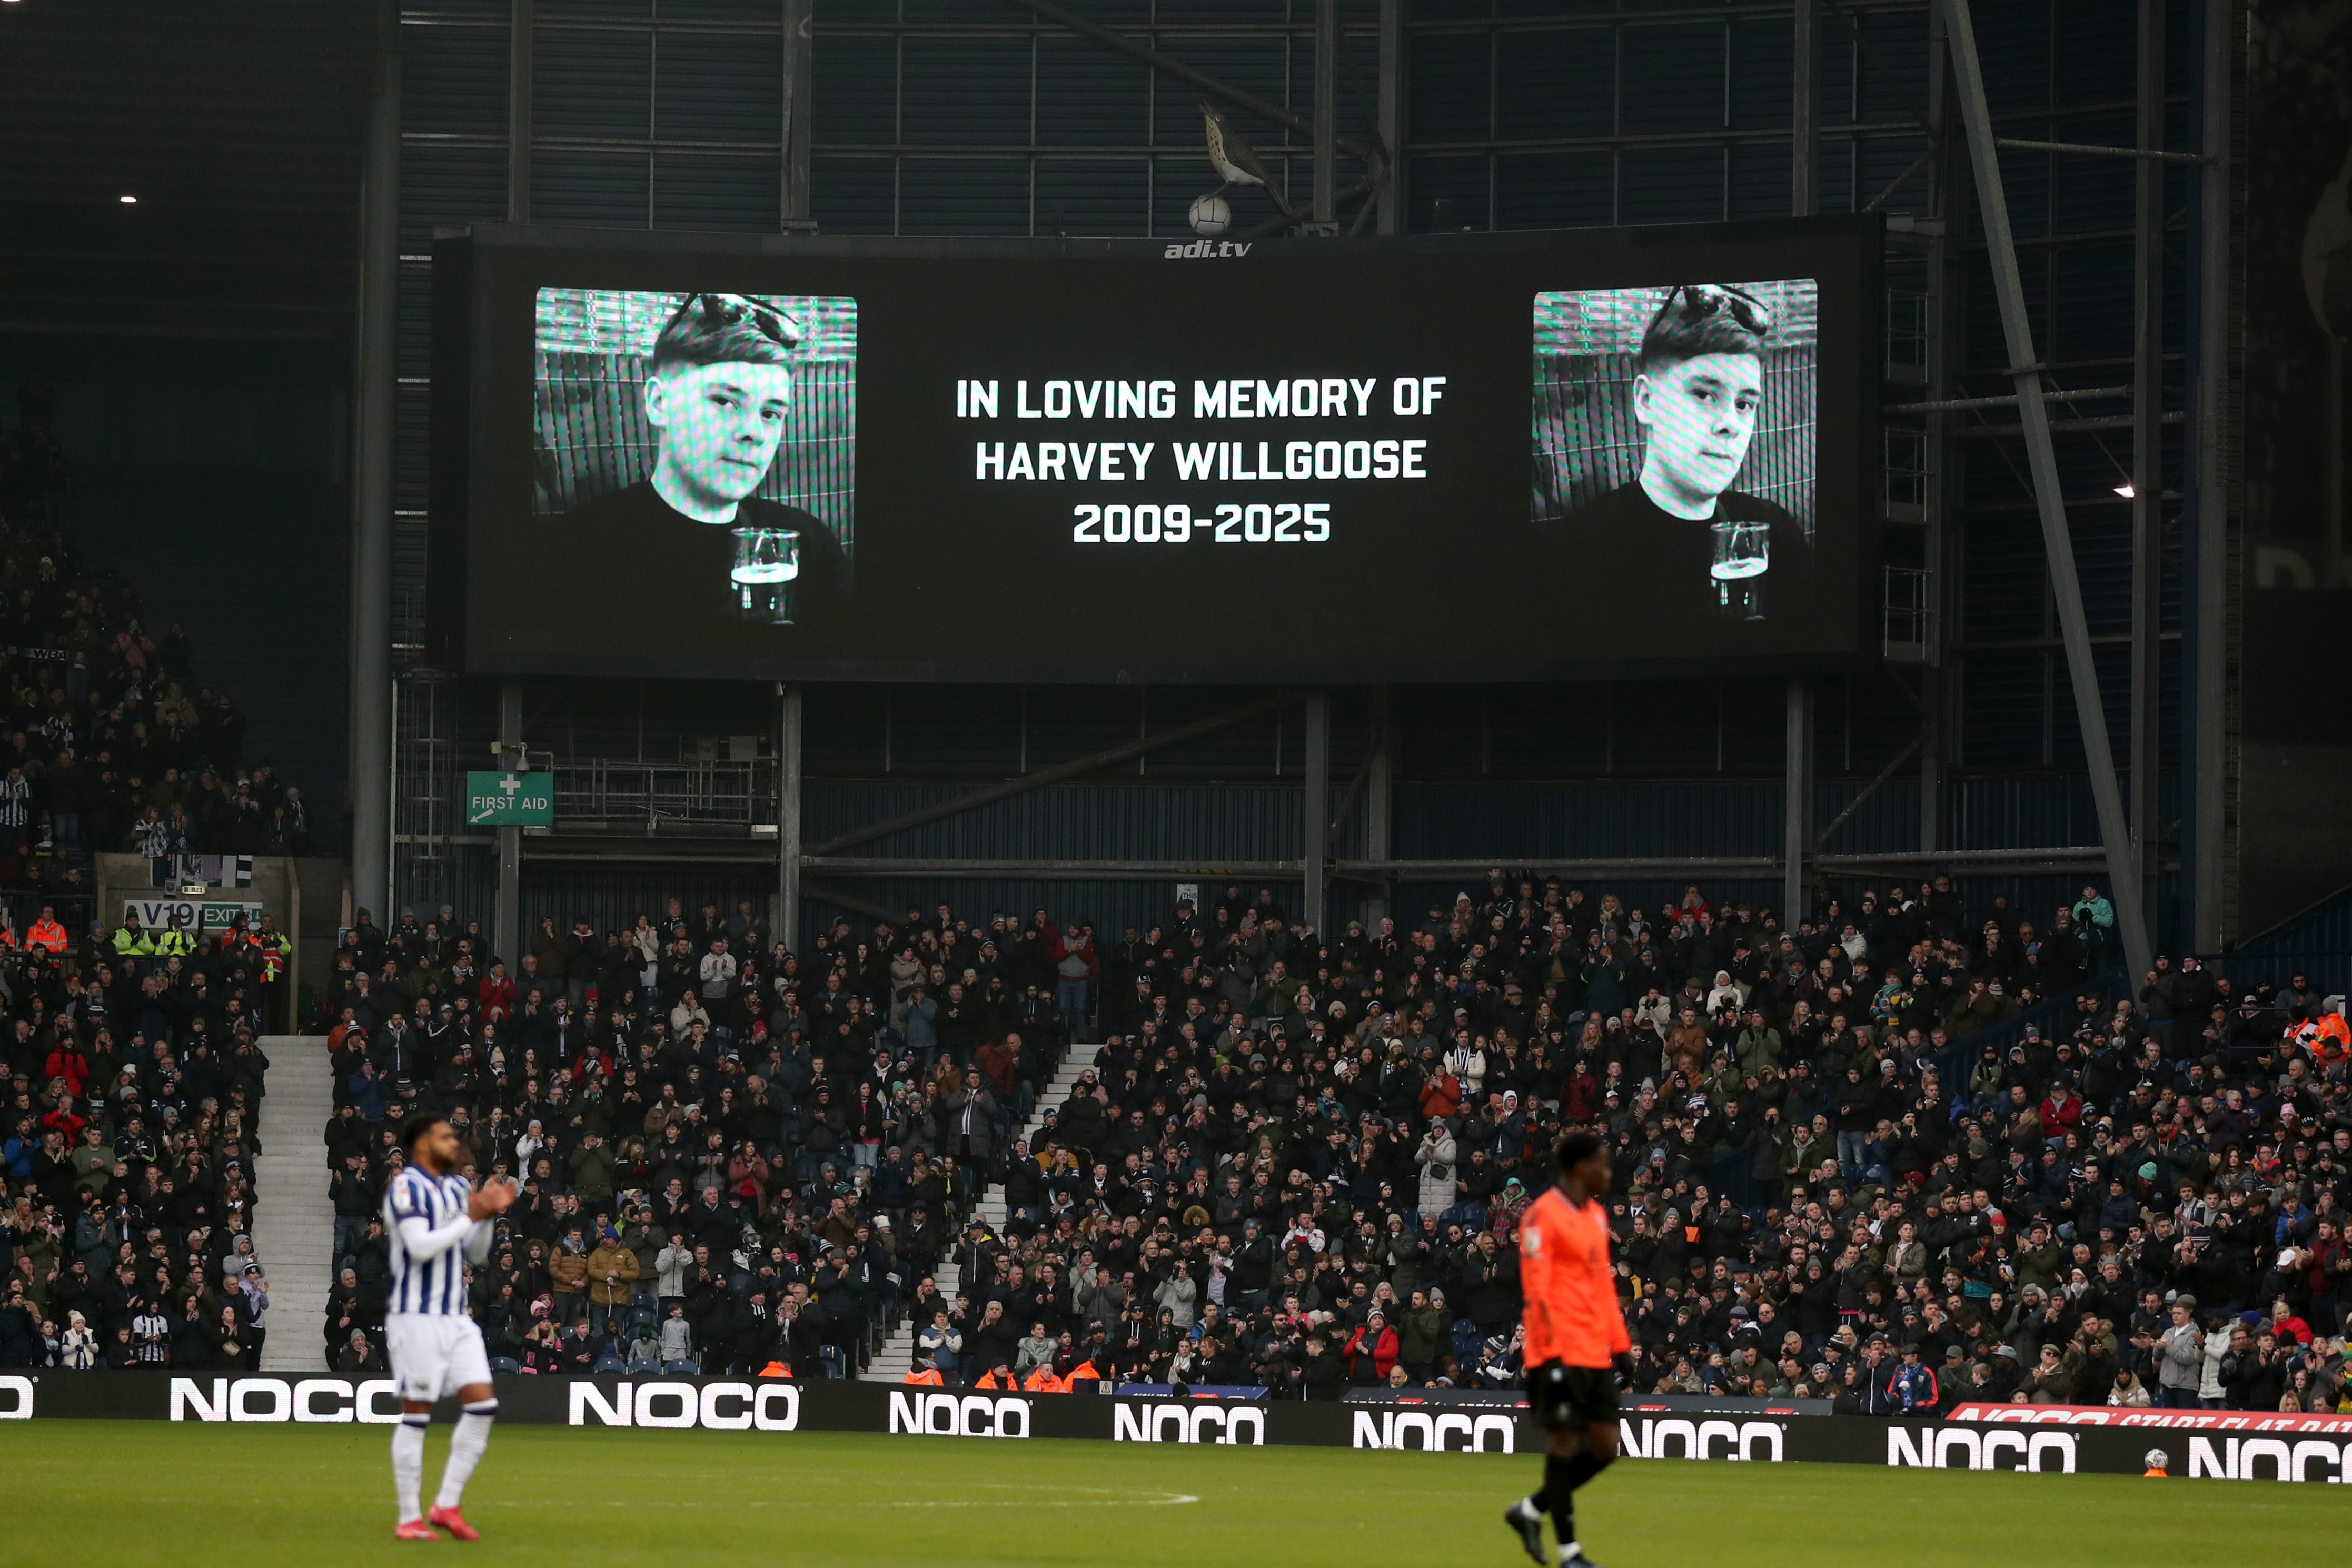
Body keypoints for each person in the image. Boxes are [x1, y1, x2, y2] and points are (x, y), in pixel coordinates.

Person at [549, 292, 849, 635]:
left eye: (769, 413)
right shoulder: (578, 552)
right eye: (724, 401)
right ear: (660, 403)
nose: (753, 432)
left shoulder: (809, 545)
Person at [1537, 282, 1815, 624]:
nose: (1729, 424)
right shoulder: (1577, 554)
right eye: (1703, 394)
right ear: (1646, 401)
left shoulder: (1777, 533)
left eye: (1744, 404)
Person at [383, 1113, 517, 1542]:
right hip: (415, 1315)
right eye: (445, 1137)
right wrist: (470, 1215)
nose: (454, 1143)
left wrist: (487, 1215)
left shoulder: (460, 1187)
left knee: (482, 1407)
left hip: (456, 1317)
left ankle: (446, 1505)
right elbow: (420, 1247)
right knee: (417, 1413)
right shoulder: (405, 1186)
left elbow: (475, 1254)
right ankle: (408, 1517)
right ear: (422, 1143)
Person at [1503, 1129, 1629, 1568]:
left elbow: (1603, 1287)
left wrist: (1622, 1345)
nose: (1608, 1174)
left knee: (1606, 1448)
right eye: (1603, 1165)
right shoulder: (1540, 1218)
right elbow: (1536, 1291)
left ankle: (1529, 1511)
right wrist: (1550, 1350)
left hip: (1594, 1351)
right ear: (1581, 1168)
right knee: (1562, 1447)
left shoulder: (1595, 1216)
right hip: (1555, 1352)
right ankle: (1570, 1552)